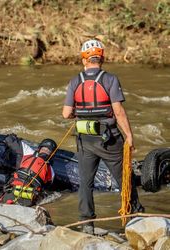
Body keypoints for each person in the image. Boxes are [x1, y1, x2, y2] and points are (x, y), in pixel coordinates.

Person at [62, 39, 144, 234]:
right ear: (102, 58)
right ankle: (135, 216)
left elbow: (66, 114)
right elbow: (119, 111)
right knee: (125, 178)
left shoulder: (75, 81)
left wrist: (80, 113)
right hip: (110, 140)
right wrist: (129, 136)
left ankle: (87, 224)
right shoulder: (110, 79)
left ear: (84, 60)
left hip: (84, 139)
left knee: (86, 182)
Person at [0, 134, 57, 207]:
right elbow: (46, 189)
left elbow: (9, 139)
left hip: (20, 193)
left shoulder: (28, 152)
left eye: (48, 151)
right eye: (44, 149)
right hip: (20, 193)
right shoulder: (51, 171)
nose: (45, 151)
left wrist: (13, 137)